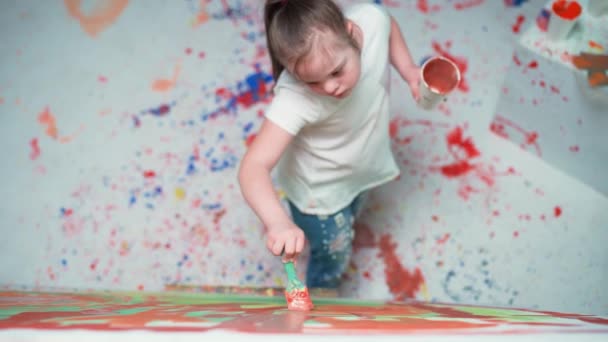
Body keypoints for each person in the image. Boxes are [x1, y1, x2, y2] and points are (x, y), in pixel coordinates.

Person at [238, 0, 420, 290]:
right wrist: (278, 223)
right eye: (312, 82)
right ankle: (323, 289)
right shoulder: (294, 98)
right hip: (319, 196)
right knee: (334, 253)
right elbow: (252, 167)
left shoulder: (370, 20)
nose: (329, 88)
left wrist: (409, 69)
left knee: (354, 205)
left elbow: (388, 26)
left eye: (336, 72)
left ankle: (347, 219)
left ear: (351, 33)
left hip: (360, 165)